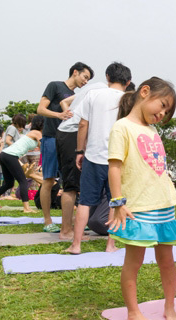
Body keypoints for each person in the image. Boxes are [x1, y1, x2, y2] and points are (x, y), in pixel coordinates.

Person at [106, 76, 176, 320]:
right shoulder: (122, 127)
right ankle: (133, 312)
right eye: (162, 105)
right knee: (133, 261)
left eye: (167, 111)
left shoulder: (152, 131)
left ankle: (169, 305)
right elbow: (114, 167)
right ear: (144, 92)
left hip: (163, 205)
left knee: (167, 260)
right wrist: (118, 202)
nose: (162, 113)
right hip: (138, 207)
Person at [66, 62, 130, 254]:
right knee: (115, 202)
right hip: (117, 159)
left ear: (107, 77)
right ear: (128, 82)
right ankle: (111, 245)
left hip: (93, 156)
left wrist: (79, 151)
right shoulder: (129, 100)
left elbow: (83, 125)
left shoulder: (94, 94)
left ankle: (76, 245)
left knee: (85, 202)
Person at [36, 61, 94, 233]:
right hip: (51, 137)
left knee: (69, 183)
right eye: (85, 77)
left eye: (88, 80)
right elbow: (40, 109)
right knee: (49, 179)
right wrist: (59, 115)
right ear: (75, 72)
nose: (85, 82)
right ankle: (47, 221)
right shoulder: (55, 86)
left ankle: (69, 222)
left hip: (67, 141)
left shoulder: (76, 96)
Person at [56, 79, 108, 240]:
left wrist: (68, 115)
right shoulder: (104, 93)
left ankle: (70, 227)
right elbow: (85, 123)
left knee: (74, 184)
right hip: (72, 132)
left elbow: (65, 101)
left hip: (67, 131)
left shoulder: (96, 87)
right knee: (71, 186)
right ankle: (66, 231)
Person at [0, 116, 45, 213]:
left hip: (5, 155)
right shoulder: (37, 133)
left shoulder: (32, 133)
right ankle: (26, 208)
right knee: (23, 181)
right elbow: (44, 146)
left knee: (9, 183)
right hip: (10, 156)